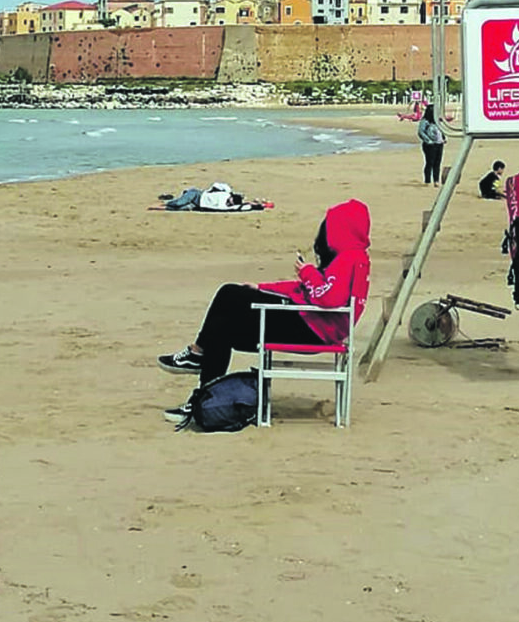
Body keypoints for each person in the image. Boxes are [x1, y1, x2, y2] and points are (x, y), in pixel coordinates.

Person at [157, 198, 371, 425]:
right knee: (222, 328)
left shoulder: (349, 258)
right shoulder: (352, 258)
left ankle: (197, 354)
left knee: (229, 294)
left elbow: (328, 297)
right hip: (312, 322)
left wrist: (308, 272)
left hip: (313, 329)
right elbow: (304, 291)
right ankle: (206, 399)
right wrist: (263, 288)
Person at [417, 103, 446, 186]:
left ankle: (436, 180)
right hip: (429, 144)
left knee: (437, 163)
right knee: (430, 162)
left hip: (439, 143)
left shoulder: (437, 121)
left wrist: (443, 138)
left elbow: (441, 130)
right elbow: (421, 132)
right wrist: (428, 140)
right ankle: (427, 180)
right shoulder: (424, 121)